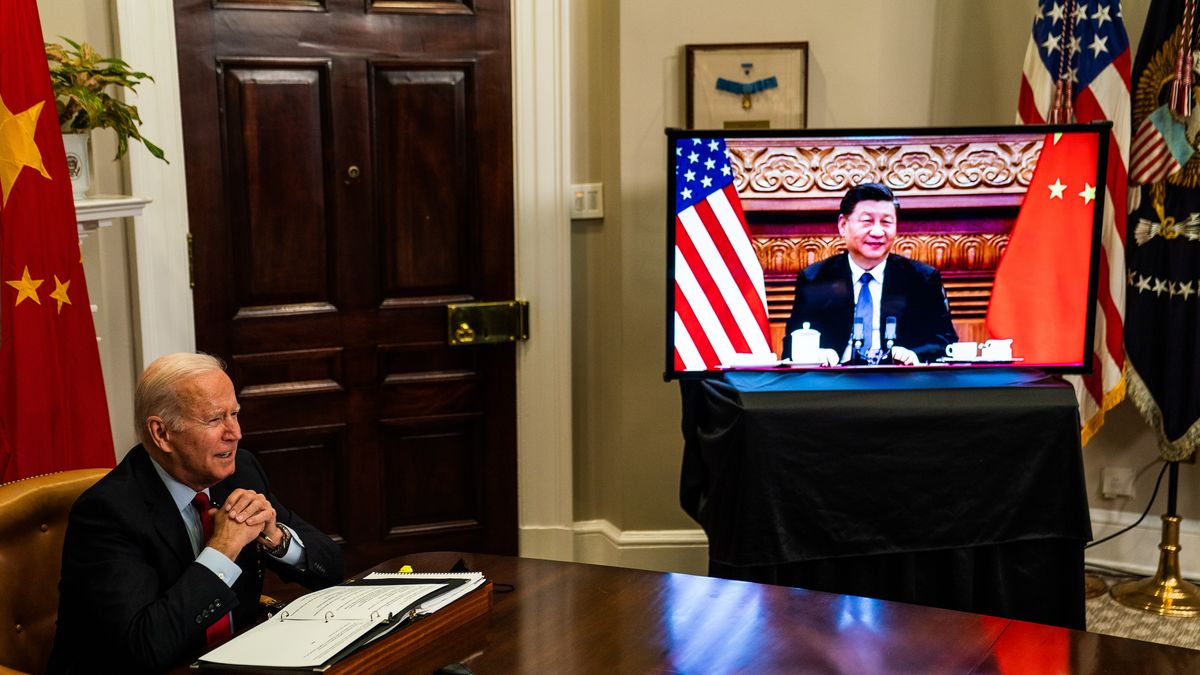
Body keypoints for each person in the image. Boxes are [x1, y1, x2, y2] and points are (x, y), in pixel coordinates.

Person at [48, 353, 344, 673]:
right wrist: (223, 550)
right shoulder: (107, 513)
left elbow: (332, 568)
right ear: (162, 433)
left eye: (234, 414)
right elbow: (144, 647)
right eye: (215, 419)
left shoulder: (240, 472)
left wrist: (276, 538)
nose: (235, 433)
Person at [782, 182, 957, 365]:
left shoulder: (922, 279)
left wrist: (914, 355)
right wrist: (816, 354)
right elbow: (791, 347)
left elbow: (945, 342)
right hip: (835, 379)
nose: (877, 232)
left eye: (886, 222)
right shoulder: (815, 278)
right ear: (843, 225)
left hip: (901, 379)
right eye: (867, 221)